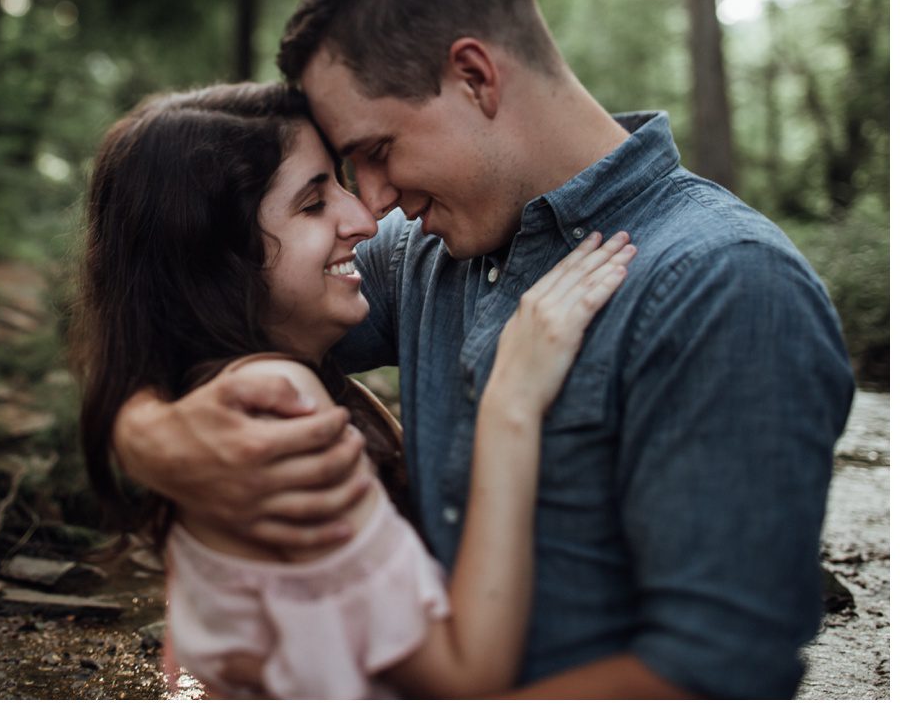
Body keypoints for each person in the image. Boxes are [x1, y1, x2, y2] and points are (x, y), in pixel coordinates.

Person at [112, 0, 855, 699]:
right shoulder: (419, 252)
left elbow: (714, 672)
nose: (372, 201)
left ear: (474, 76)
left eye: (376, 151)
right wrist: (156, 438)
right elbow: (185, 303)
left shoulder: (724, 286)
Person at [69, 82, 635, 698]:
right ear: (217, 261)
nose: (365, 219)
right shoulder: (276, 402)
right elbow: (467, 674)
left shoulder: (253, 372)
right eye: (313, 205)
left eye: (340, 183)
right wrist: (511, 403)